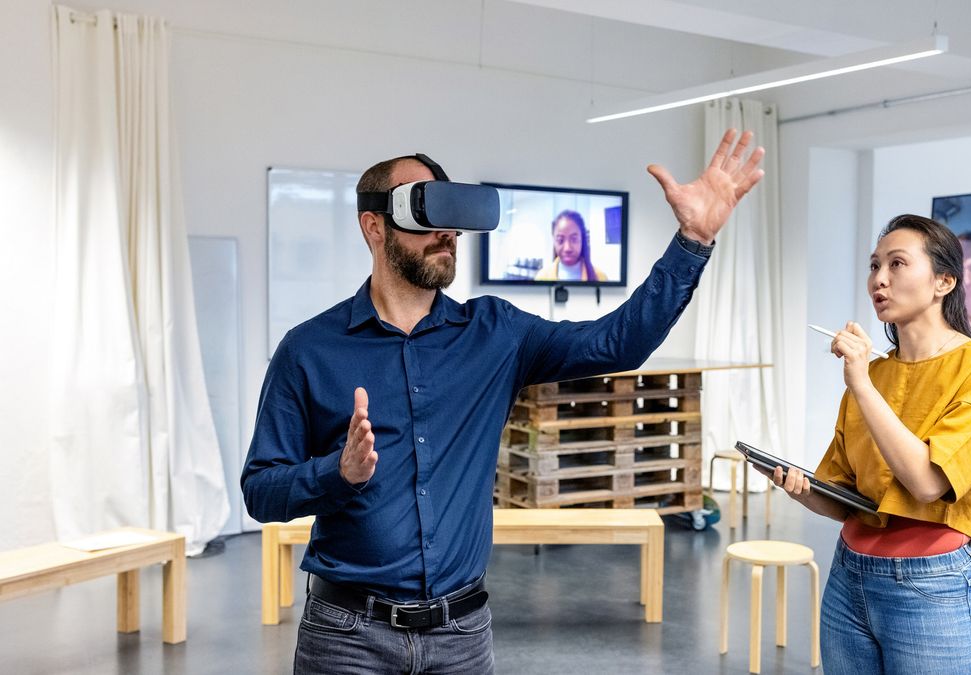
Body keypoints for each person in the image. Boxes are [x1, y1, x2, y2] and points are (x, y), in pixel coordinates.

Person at [241, 129, 764, 674]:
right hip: (346, 638)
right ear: (373, 227)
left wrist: (693, 241)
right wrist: (337, 473)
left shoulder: (494, 334)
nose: (446, 234)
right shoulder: (309, 350)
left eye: (452, 217)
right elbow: (260, 492)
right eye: (425, 215)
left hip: (460, 637)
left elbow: (619, 341)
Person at [762, 214, 971, 674]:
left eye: (897, 263)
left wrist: (860, 383)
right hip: (848, 577)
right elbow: (846, 501)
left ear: (944, 281)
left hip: (931, 588)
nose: (879, 279)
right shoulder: (875, 373)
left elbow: (924, 482)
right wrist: (803, 490)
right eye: (875, 265)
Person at [534, 209, 608, 281]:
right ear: (554, 241)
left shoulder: (600, 277)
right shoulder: (541, 277)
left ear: (582, 239)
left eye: (574, 239)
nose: (567, 248)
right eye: (560, 240)